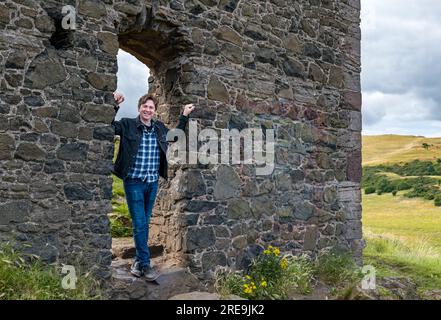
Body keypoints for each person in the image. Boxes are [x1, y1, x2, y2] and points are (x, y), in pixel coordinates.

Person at [111, 92, 195, 280]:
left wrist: (184, 115)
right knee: (140, 224)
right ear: (139, 108)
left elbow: (175, 137)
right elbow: (109, 128)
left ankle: (138, 263)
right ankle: (145, 263)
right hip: (133, 182)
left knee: (144, 224)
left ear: (154, 111)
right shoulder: (127, 124)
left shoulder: (158, 128)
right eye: (145, 106)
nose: (147, 110)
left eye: (151, 107)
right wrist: (114, 105)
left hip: (152, 183)